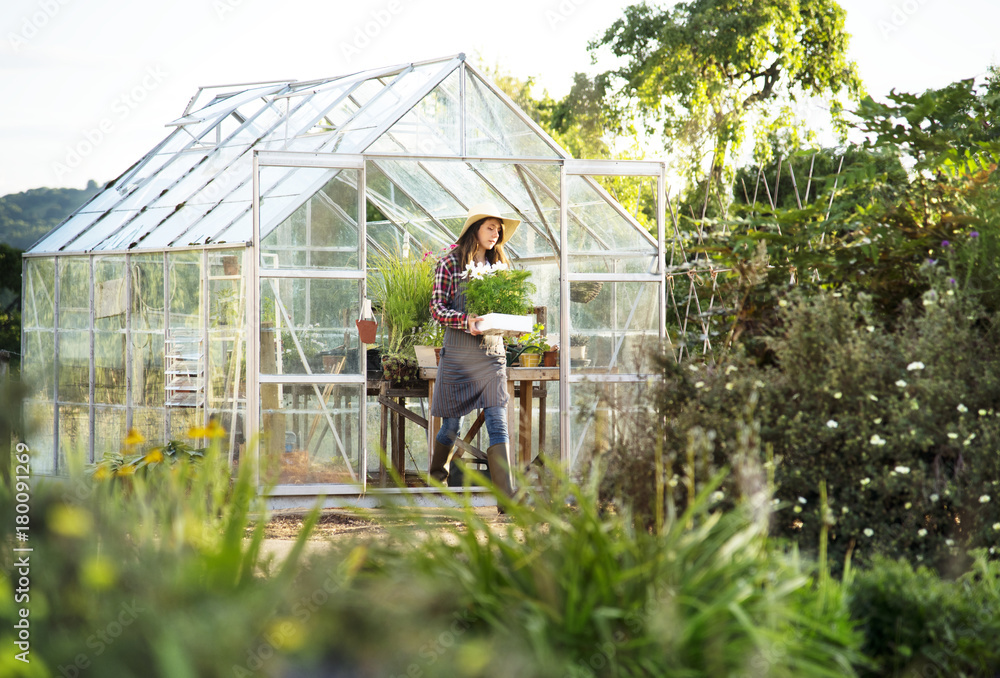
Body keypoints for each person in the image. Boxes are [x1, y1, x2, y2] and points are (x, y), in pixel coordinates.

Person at [428, 202, 519, 501]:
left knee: (497, 419)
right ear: (475, 229)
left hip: (492, 355)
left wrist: (512, 325)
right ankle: (436, 478)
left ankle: (506, 498)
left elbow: (508, 307)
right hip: (458, 356)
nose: (496, 234)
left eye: (499, 229)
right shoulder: (451, 263)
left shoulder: (500, 267)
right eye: (490, 227)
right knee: (452, 425)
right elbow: (437, 308)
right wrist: (465, 320)